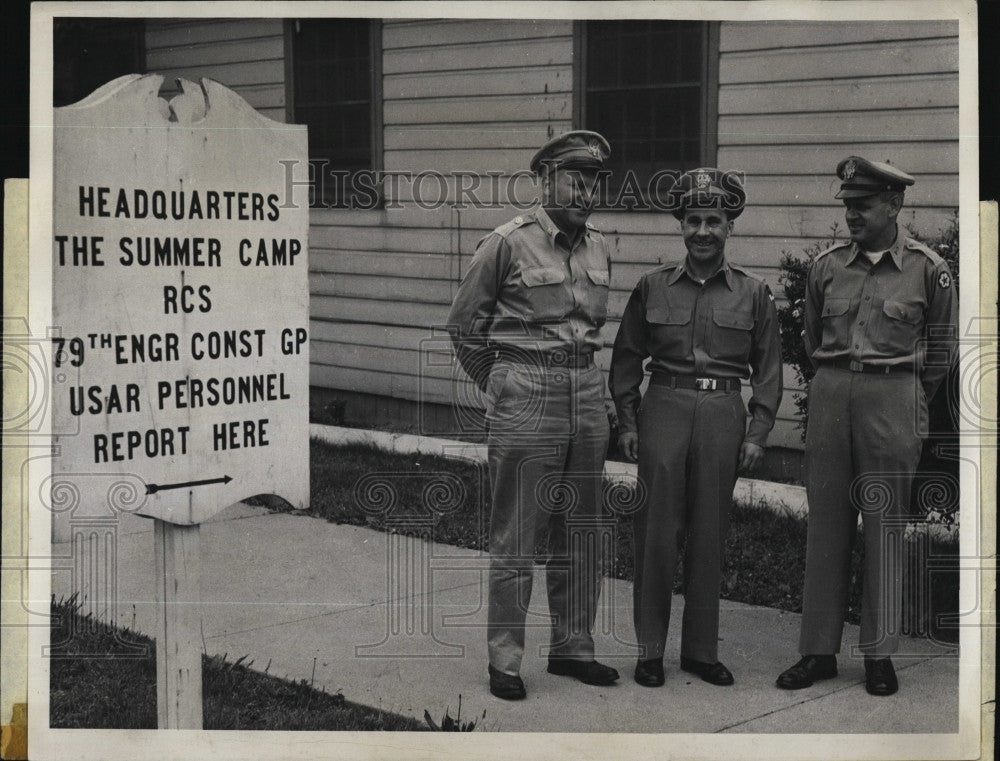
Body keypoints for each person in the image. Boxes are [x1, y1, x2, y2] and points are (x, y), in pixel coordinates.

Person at [447, 131, 620, 700]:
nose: (585, 188)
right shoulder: (507, 243)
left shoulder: (599, 246)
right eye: (574, 176)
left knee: (583, 531)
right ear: (545, 179)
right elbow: (464, 327)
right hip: (529, 390)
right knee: (517, 534)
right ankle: (506, 660)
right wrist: (501, 384)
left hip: (586, 393)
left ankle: (574, 648)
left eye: (593, 179)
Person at [776, 156, 957, 696]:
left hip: (893, 396)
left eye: (863, 204)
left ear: (894, 204)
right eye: (848, 205)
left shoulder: (928, 270)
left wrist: (904, 399)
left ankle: (879, 654)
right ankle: (817, 651)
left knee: (885, 526)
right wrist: (840, 381)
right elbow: (813, 339)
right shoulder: (827, 267)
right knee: (826, 523)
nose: (852, 214)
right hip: (834, 393)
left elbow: (942, 350)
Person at [609, 168, 782, 688]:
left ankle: (701, 653)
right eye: (693, 220)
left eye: (714, 220)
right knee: (656, 535)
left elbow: (769, 370)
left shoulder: (754, 294)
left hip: (723, 416)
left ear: (730, 227)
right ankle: (649, 651)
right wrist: (627, 419)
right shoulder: (651, 286)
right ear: (681, 226)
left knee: (710, 535)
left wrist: (757, 432)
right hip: (663, 407)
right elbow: (626, 358)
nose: (703, 230)